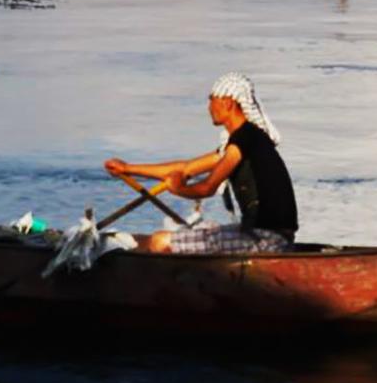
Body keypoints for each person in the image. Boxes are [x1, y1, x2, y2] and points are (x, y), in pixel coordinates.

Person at [105, 73, 297, 254]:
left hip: (268, 240)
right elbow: (186, 168)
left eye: (211, 100)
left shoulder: (244, 139)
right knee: (163, 238)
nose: (209, 107)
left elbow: (207, 188)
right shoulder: (242, 140)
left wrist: (178, 189)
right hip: (263, 235)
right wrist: (128, 168)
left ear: (227, 103)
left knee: (160, 242)